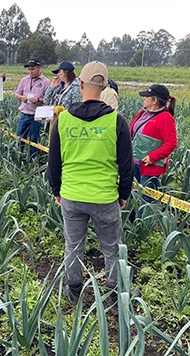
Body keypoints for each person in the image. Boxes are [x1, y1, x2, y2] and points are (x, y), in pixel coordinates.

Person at [48, 61, 134, 306]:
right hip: (104, 197)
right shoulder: (117, 121)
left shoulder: (63, 120)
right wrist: (123, 193)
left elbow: (53, 161)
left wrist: (57, 190)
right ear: (105, 86)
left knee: (73, 246)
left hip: (72, 196)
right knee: (112, 248)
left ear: (81, 84)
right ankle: (115, 294)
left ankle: (73, 292)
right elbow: (126, 165)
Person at [129, 84, 177, 205]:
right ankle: (130, 222)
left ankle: (145, 223)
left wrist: (153, 157)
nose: (144, 98)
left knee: (147, 200)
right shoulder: (143, 113)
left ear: (155, 101)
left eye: (147, 97)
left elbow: (171, 143)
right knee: (130, 197)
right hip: (133, 163)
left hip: (149, 166)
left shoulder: (165, 118)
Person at [15, 58, 51, 159]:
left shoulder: (46, 82)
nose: (31, 71)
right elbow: (17, 94)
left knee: (33, 140)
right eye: (29, 69)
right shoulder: (24, 80)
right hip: (24, 114)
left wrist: (38, 99)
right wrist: (22, 98)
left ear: (39, 68)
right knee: (20, 138)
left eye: (33, 69)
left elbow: (49, 100)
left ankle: (32, 163)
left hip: (36, 116)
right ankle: (18, 159)